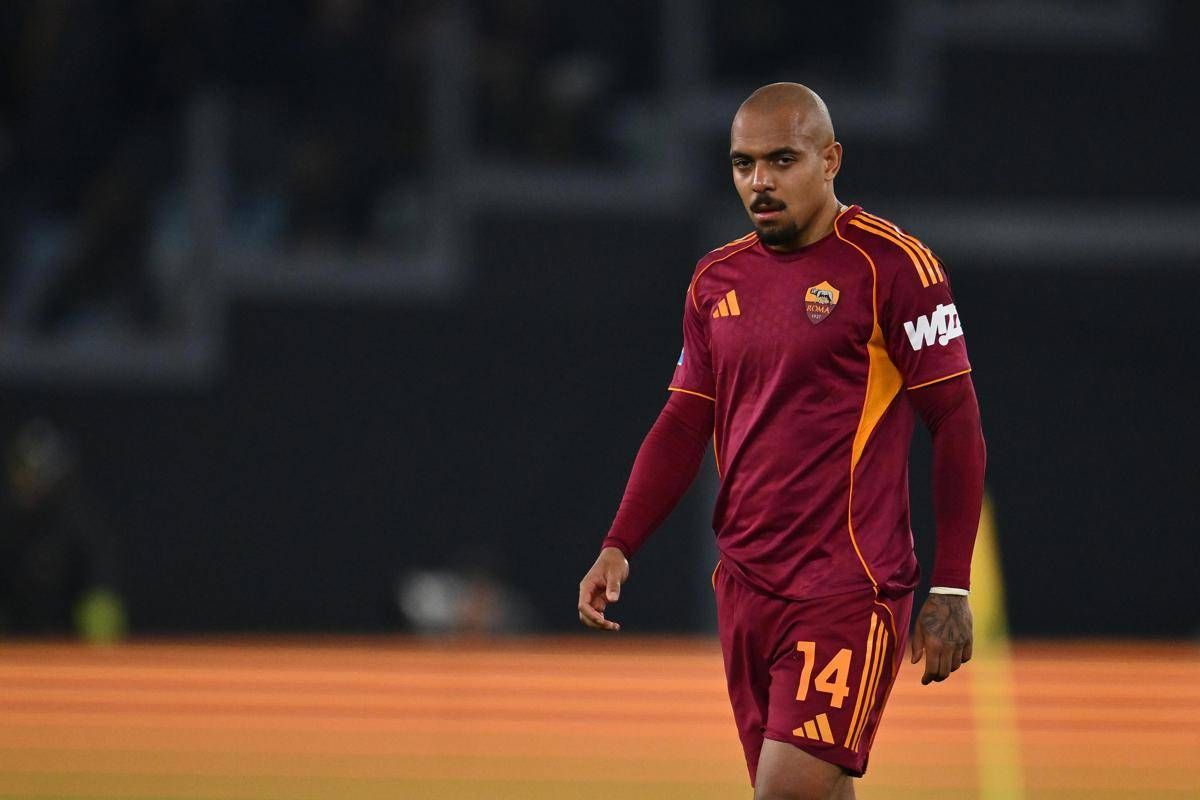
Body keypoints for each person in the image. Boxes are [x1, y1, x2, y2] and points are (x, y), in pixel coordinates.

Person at [577, 83, 986, 800]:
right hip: (745, 586)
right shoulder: (715, 280)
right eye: (744, 164)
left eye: (782, 160)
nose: (759, 181)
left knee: (786, 792)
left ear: (830, 161)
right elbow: (683, 421)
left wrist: (951, 584)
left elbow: (956, 420)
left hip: (848, 587)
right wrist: (620, 541)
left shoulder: (893, 268)